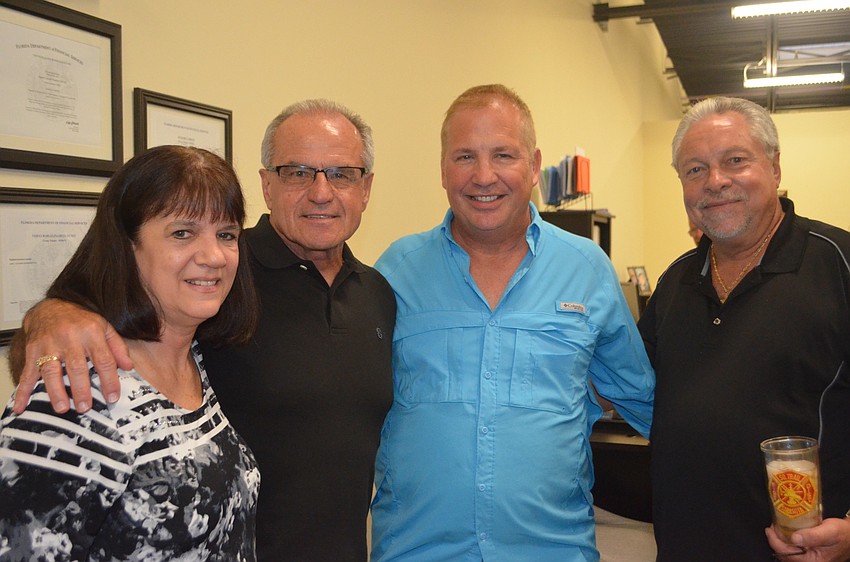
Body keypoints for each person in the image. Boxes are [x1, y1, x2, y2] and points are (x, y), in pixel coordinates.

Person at [11, 100, 396, 561]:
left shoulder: (378, 293)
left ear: (366, 188)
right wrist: (52, 314)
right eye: (297, 172)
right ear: (267, 185)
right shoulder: (220, 280)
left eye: (341, 174)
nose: (321, 192)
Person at [369, 84, 654, 561]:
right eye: (465, 156)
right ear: (443, 168)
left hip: (552, 551)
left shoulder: (586, 269)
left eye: (503, 155)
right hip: (417, 551)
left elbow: (645, 400)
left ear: (534, 165)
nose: (484, 176)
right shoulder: (396, 271)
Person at [0, 146, 260, 560]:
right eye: (182, 232)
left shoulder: (195, 359)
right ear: (126, 246)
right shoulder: (77, 392)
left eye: (226, 234)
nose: (213, 256)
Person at [640, 96, 850, 561]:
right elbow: (630, 384)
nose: (715, 181)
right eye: (695, 169)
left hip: (804, 551)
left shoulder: (839, 264)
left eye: (735, 160)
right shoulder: (676, 281)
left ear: (774, 167)